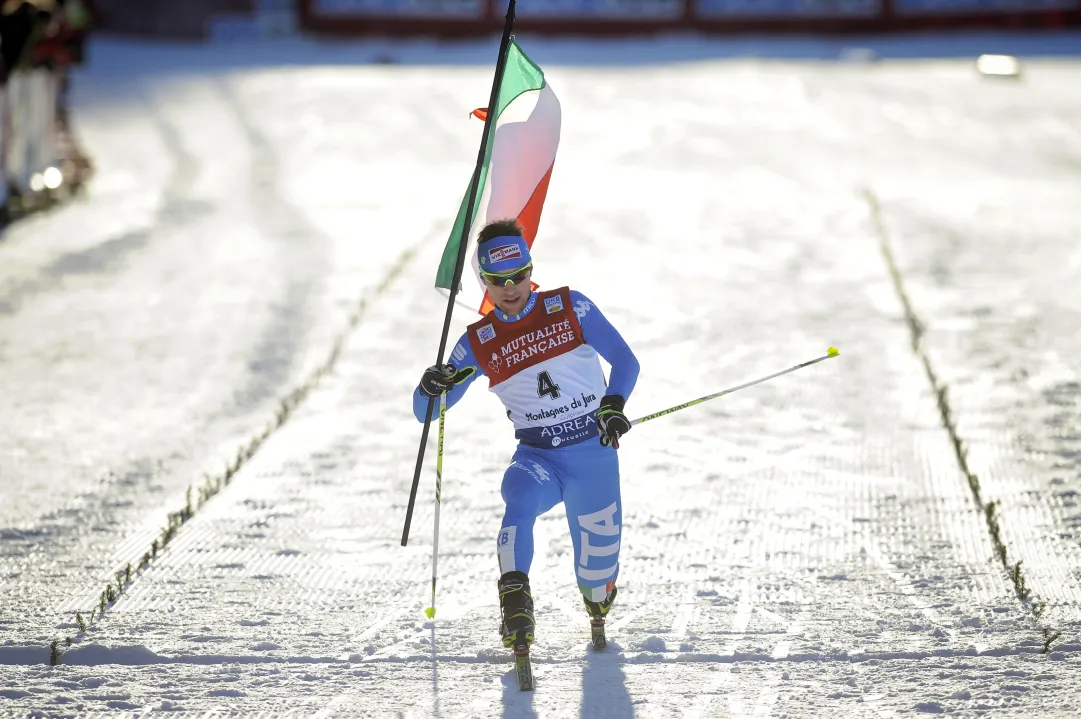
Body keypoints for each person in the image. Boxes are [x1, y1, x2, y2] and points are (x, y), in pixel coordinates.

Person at [412, 218, 640, 654]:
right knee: (516, 495)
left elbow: (626, 361)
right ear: (484, 282)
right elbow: (426, 412)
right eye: (498, 281)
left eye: (519, 275)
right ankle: (514, 600)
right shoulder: (479, 341)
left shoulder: (571, 307)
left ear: (531, 270)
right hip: (538, 459)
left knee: (597, 578)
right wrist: (430, 386)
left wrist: (613, 405)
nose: (511, 288)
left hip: (593, 458)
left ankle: (596, 601)